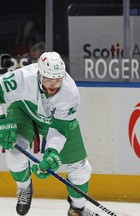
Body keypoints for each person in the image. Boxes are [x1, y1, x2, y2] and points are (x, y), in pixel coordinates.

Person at [0, 51, 100, 216]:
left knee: (81, 168)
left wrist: (52, 152)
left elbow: (60, 128)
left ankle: (77, 209)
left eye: (57, 80)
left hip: (56, 122)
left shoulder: (71, 93)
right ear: (40, 75)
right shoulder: (22, 78)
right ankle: (25, 187)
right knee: (14, 154)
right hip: (25, 111)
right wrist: (1, 119)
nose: (53, 85)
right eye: (48, 79)